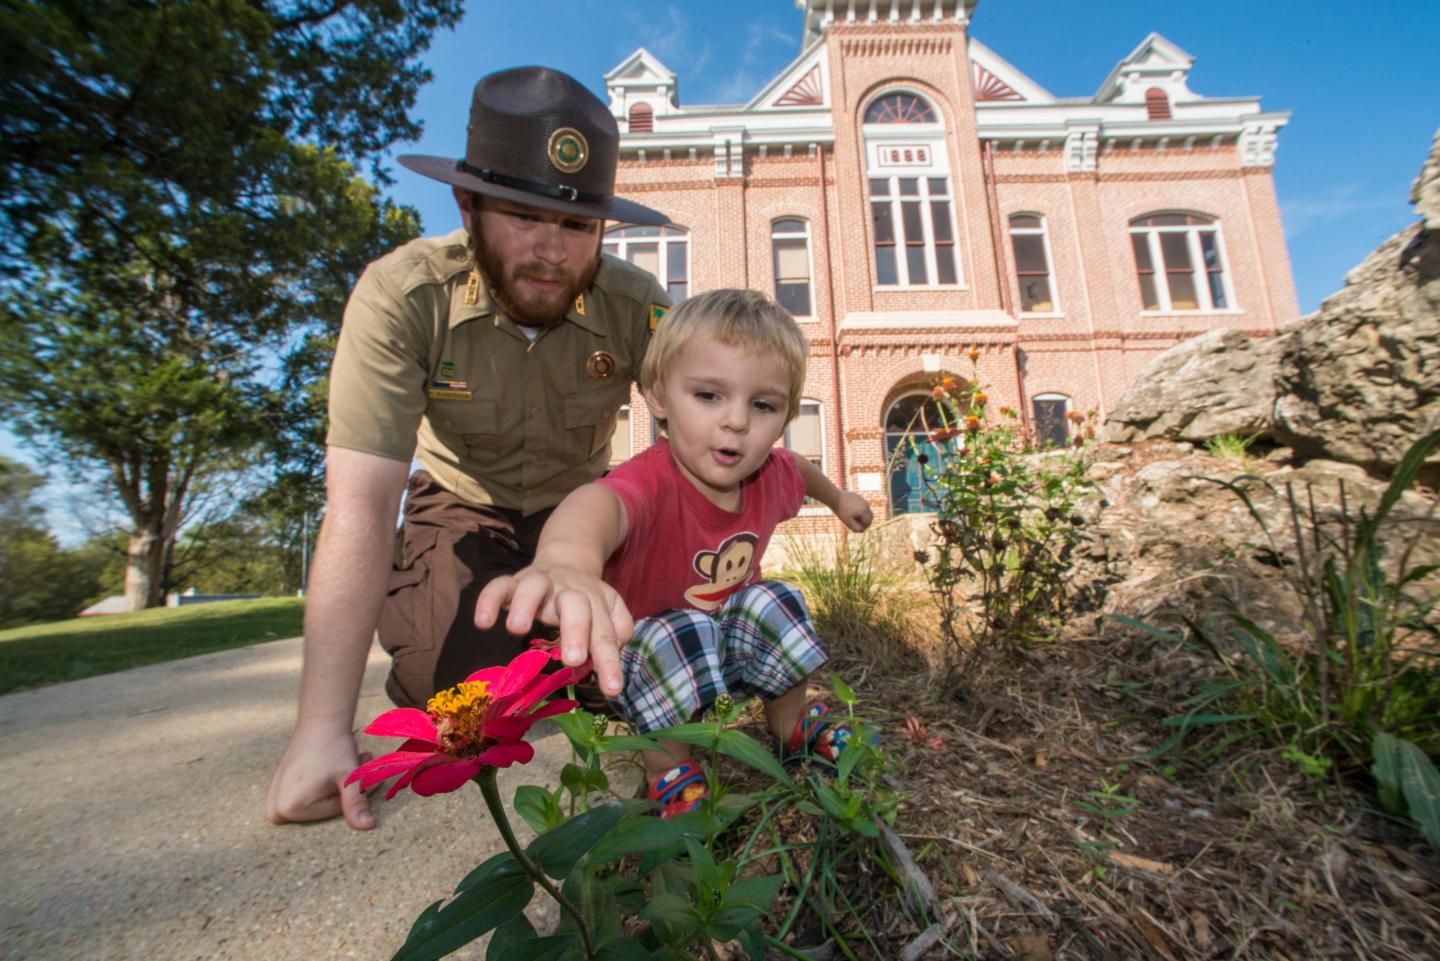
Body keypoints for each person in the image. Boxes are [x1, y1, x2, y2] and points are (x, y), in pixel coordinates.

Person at [265, 66, 672, 830]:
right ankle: (540, 653)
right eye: (523, 215)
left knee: (651, 661)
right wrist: (319, 729)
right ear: (468, 203)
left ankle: (574, 652)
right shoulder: (402, 295)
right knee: (456, 697)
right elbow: (360, 501)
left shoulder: (639, 307)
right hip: (462, 507)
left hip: (580, 513)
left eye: (578, 226)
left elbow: (698, 447)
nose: (552, 251)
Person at [478, 288, 875, 818]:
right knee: (678, 630)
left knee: (774, 598)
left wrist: (839, 497)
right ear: (658, 397)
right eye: (709, 395)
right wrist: (567, 560)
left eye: (762, 405)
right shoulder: (651, 479)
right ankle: (670, 773)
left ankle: (791, 726)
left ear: (783, 417)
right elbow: (600, 503)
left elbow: (798, 467)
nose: (736, 421)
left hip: (724, 648)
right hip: (645, 662)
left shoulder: (768, 472)